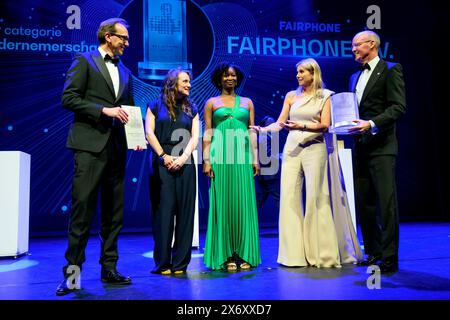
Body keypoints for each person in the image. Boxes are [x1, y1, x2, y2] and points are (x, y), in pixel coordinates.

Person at [57, 18, 142, 295]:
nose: (126, 44)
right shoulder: (85, 61)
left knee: (114, 214)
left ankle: (109, 269)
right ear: (107, 36)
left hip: (116, 150)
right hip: (90, 147)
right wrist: (103, 110)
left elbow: (128, 110)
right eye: (123, 38)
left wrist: (136, 138)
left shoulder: (126, 72)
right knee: (82, 212)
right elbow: (68, 98)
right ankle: (72, 275)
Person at [251, 58, 362, 268]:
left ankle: (322, 254)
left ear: (313, 73)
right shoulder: (291, 96)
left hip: (315, 148)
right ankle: (293, 255)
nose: (298, 75)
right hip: (292, 148)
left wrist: (301, 125)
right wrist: (263, 130)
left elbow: (325, 125)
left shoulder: (325, 96)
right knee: (289, 198)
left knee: (316, 197)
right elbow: (280, 123)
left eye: (302, 72)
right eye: (297, 72)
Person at [348, 30, 406, 273]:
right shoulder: (353, 77)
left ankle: (390, 256)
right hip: (360, 147)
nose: (353, 50)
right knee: (365, 203)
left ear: (372, 44)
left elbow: (398, 107)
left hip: (382, 147)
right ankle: (373, 252)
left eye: (356, 45)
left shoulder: (391, 69)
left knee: (386, 202)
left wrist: (371, 124)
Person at [203, 62, 261, 271]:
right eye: (226, 75)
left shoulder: (247, 102)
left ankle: (244, 252)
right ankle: (226, 254)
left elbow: (252, 131)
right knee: (223, 204)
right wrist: (207, 160)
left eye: (233, 75)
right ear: (219, 78)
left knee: (243, 203)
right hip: (220, 157)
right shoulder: (211, 102)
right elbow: (208, 133)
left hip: (242, 157)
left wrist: (255, 158)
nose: (230, 78)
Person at [145, 68, 199, 275]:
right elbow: (149, 131)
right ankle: (163, 263)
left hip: (185, 161)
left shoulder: (191, 108)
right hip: (162, 161)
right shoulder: (154, 106)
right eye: (185, 81)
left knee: (185, 212)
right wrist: (163, 156)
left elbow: (195, 137)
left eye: (190, 81)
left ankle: (180, 263)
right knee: (163, 213)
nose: (189, 84)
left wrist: (183, 158)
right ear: (172, 82)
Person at [255, 116, 281, 212]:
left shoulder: (266, 136)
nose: (274, 125)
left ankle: (245, 222)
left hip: (264, 175)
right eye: (271, 123)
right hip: (270, 175)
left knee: (258, 201)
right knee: (280, 199)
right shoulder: (264, 136)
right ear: (264, 126)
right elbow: (267, 154)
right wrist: (281, 157)